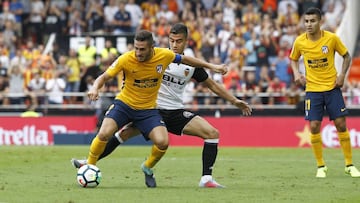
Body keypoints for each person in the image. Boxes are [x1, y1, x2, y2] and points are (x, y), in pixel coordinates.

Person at [72, 23, 252, 188]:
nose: (174, 44)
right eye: (171, 41)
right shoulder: (156, 55)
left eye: (179, 41)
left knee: (212, 134)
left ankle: (205, 179)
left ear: (186, 41)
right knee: (121, 134)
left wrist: (234, 100)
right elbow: (109, 74)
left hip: (174, 111)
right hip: (151, 107)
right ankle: (89, 162)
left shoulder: (182, 63)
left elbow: (212, 85)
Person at [289, 7, 360, 178]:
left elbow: (347, 56)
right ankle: (321, 166)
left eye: (312, 21)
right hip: (312, 90)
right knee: (313, 126)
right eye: (306, 21)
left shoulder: (332, 38)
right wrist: (297, 73)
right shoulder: (300, 42)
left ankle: (349, 164)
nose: (309, 24)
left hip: (332, 88)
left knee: (341, 124)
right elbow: (293, 59)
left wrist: (342, 75)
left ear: (320, 22)